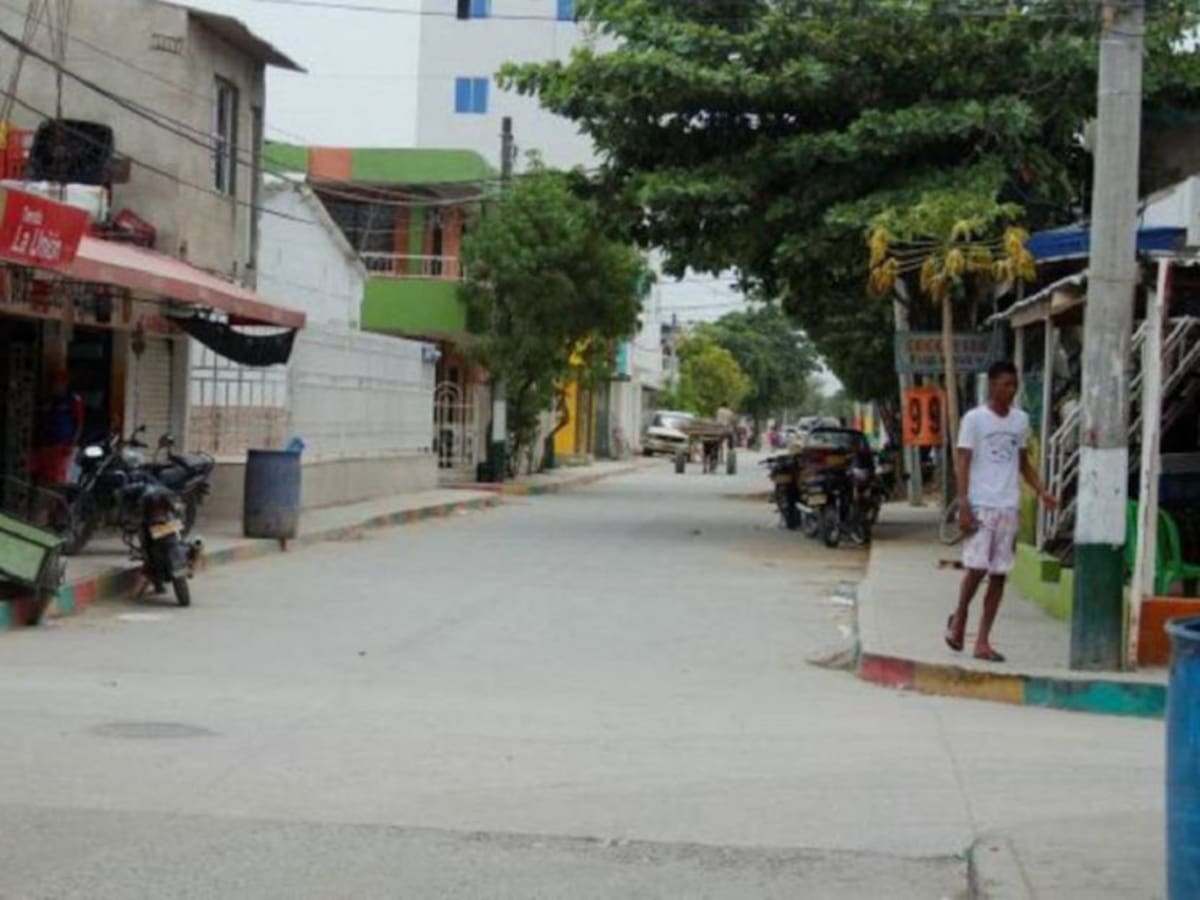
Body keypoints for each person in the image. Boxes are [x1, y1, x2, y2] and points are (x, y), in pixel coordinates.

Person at [944, 360, 1057, 663]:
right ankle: (960, 616)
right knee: (977, 569)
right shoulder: (974, 419)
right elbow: (963, 461)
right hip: (981, 504)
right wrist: (964, 503)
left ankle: (982, 640)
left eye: (1014, 384)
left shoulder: (1020, 421)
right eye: (1006, 384)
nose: (1011, 389)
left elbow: (1023, 462)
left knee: (998, 575)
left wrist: (1041, 490)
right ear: (993, 385)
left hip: (1009, 505)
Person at [32, 368, 84, 486]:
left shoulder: (72, 400)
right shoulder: (47, 401)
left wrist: (72, 443)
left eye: (58, 383)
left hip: (61, 446)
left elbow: (79, 423)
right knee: (41, 478)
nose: (55, 386)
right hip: (44, 445)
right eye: (53, 383)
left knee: (56, 479)